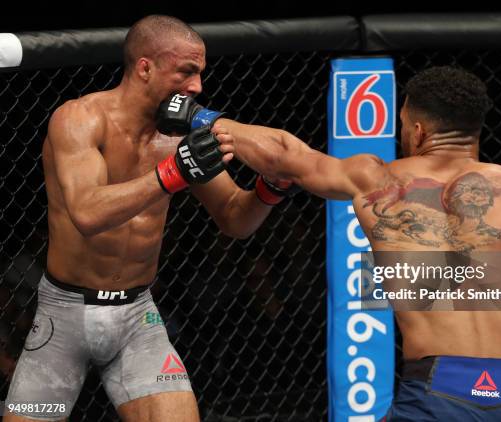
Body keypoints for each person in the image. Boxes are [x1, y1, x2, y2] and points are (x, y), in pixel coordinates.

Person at [213, 65, 501, 420]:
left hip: (441, 387)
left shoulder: (376, 180)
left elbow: (284, 156)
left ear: (419, 131)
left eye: (403, 127)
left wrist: (199, 117)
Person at [3, 15, 293, 422]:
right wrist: (172, 174)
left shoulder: (178, 136)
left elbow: (235, 219)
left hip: (137, 316)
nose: (197, 88)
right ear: (145, 68)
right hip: (64, 317)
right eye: (186, 72)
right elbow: (87, 212)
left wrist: (269, 189)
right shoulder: (79, 119)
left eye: (200, 74)